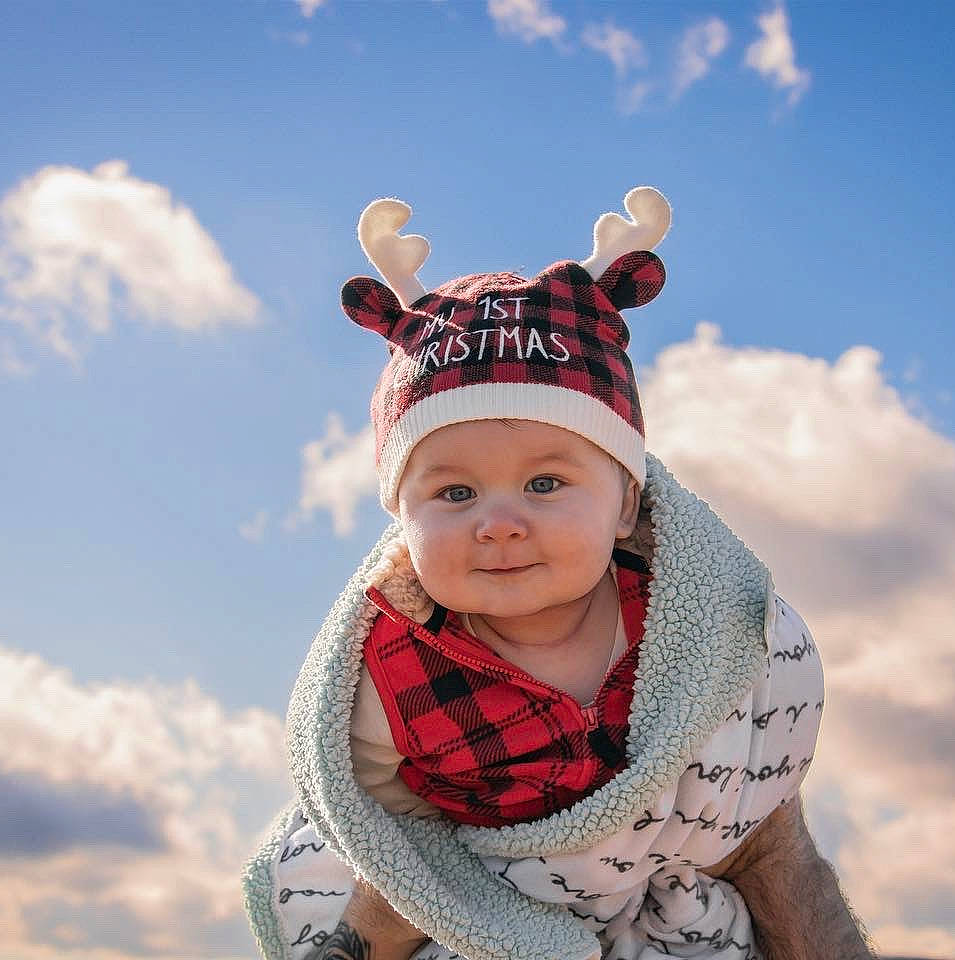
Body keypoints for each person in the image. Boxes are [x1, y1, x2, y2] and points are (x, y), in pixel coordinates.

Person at [243, 188, 873, 960]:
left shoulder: (686, 620)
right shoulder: (391, 666)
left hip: (667, 880)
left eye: (546, 484)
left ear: (624, 507)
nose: (499, 521)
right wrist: (438, 880)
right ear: (400, 521)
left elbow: (744, 756)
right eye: (453, 493)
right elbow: (376, 817)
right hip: (487, 890)